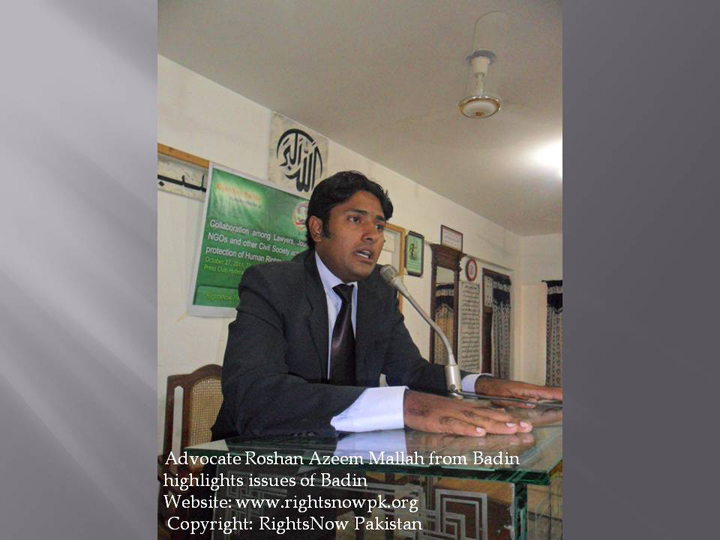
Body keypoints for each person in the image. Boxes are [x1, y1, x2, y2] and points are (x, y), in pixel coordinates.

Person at [211, 171, 561, 441]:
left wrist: (484, 385)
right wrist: (406, 405)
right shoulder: (271, 284)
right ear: (317, 229)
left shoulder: (378, 290)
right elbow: (251, 395)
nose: (373, 235)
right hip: (257, 460)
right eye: (355, 220)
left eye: (379, 226)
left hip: (342, 459)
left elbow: (411, 372)